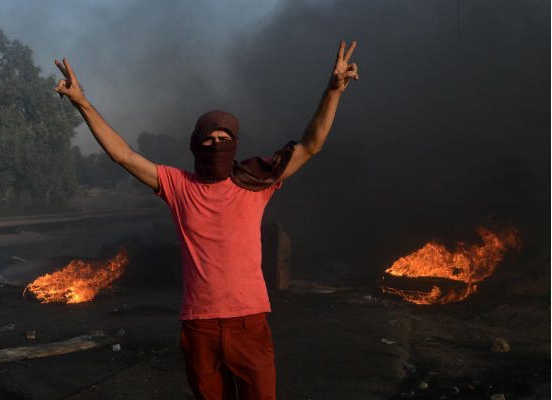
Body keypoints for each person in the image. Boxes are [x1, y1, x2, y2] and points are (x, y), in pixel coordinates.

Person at [54, 40, 358, 400]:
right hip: (199, 327)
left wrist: (333, 91)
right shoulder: (179, 186)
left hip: (249, 324)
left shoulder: (256, 183)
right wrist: (83, 103)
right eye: (209, 139)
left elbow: (311, 145)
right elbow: (124, 155)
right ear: (197, 146)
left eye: (224, 138)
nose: (216, 144)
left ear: (235, 145)